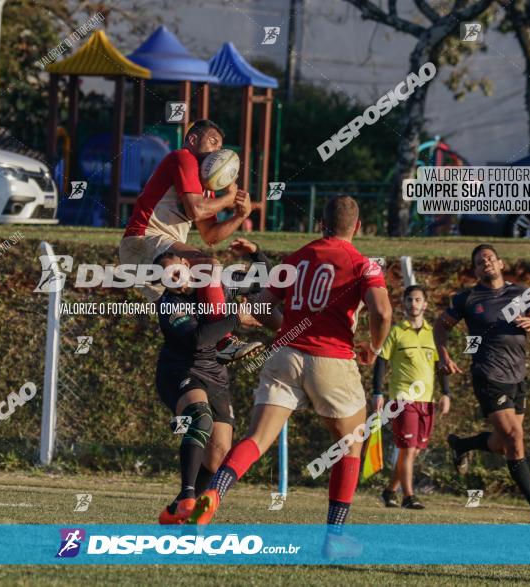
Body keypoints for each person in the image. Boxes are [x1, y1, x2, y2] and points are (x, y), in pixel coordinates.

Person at [187, 196, 392, 554]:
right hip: (331, 358)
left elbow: (261, 306)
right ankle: (334, 538)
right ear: (356, 228)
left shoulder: (298, 257)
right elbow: (383, 312)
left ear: (321, 224)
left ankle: (212, 496)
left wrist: (289, 330)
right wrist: (373, 348)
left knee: (256, 439)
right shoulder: (364, 265)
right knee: (350, 444)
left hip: (284, 356)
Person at [154, 238, 280, 524]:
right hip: (180, 371)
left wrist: (256, 252)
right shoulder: (169, 305)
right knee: (200, 419)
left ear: (187, 265)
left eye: (176, 271)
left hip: (216, 373)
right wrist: (237, 316)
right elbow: (200, 341)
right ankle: (187, 497)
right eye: (166, 278)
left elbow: (265, 284)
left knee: (218, 456)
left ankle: (176, 511)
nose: (174, 280)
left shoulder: (216, 283)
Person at [434, 243, 530, 523]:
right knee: (515, 438)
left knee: (504, 444)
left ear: (501, 264)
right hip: (489, 375)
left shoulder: (522, 293)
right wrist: (444, 355)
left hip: (518, 377)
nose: (486, 263)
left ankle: (462, 445)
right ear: (475, 269)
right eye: (480, 261)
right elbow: (440, 325)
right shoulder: (467, 298)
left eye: (490, 259)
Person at [119, 119, 260, 364]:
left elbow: (211, 236)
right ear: (193, 140)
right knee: (209, 268)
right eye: (213, 142)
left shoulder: (206, 184)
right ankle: (225, 341)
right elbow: (196, 211)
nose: (217, 151)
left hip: (161, 251)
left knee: (204, 305)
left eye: (220, 147)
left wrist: (240, 214)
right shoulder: (183, 157)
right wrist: (228, 200)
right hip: (142, 240)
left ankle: (208, 352)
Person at [374, 285, 450, 510]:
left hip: (427, 401)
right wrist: (377, 392)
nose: (413, 304)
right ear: (404, 304)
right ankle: (409, 496)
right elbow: (381, 361)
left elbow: (441, 365)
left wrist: (446, 393)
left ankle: (389, 491)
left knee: (414, 450)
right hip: (403, 400)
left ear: (425, 305)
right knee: (407, 450)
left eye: (418, 300)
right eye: (409, 300)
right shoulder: (396, 331)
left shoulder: (433, 333)